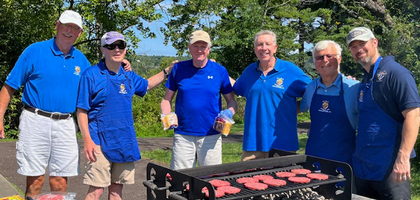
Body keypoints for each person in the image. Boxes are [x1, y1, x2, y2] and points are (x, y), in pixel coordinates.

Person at [0, 10, 89, 198]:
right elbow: (9, 87)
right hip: (35, 119)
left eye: (74, 28)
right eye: (66, 26)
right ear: (57, 25)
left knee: (60, 180)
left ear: (79, 33)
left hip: (65, 123)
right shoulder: (35, 51)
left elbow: (98, 84)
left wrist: (122, 64)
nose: (69, 31)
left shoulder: (81, 60)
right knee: (35, 179)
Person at [76, 31, 174, 200]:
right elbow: (81, 110)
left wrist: (168, 71)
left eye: (120, 45)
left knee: (116, 191)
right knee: (96, 191)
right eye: (111, 46)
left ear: (125, 49)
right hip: (98, 142)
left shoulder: (127, 74)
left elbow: (147, 84)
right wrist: (87, 140)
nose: (116, 49)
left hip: (123, 141)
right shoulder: (91, 75)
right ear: (103, 50)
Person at [347, 27, 420, 199]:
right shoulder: (365, 79)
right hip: (364, 167)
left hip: (390, 167)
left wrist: (403, 159)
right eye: (353, 46)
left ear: (374, 42)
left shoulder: (396, 73)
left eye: (362, 44)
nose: (358, 50)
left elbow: (414, 115)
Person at [160, 30, 237, 170]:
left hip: (211, 134)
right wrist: (166, 114)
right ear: (189, 47)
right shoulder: (178, 69)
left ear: (209, 49)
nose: (199, 50)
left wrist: (229, 113)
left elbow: (231, 101)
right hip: (183, 134)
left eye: (203, 46)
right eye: (196, 46)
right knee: (180, 178)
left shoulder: (219, 70)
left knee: (211, 179)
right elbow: (166, 100)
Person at [233, 30, 311, 161]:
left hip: (283, 145)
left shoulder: (290, 70)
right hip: (253, 146)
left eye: (267, 44)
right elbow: (235, 88)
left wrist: (299, 107)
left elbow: (314, 90)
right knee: (247, 180)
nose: (264, 48)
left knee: (284, 181)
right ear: (255, 49)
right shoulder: (249, 72)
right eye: (259, 44)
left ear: (275, 48)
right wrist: (217, 70)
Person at [301, 40, 359, 165]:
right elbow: (297, 107)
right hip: (313, 157)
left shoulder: (353, 88)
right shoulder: (311, 87)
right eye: (319, 57)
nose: (325, 60)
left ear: (339, 58)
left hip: (344, 161)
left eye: (329, 56)